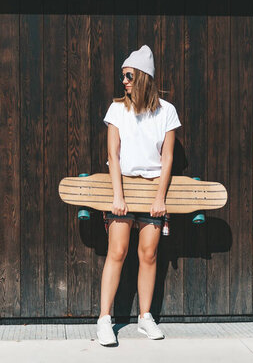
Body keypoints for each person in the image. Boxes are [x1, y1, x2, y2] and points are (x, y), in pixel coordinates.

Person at [96, 45, 181, 346]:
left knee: (148, 254)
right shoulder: (117, 109)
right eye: (122, 76)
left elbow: (167, 158)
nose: (124, 81)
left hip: (152, 189)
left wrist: (160, 198)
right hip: (124, 187)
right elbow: (112, 154)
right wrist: (118, 196)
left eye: (129, 75)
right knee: (117, 251)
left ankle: (145, 317)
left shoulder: (166, 112)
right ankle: (104, 319)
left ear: (143, 76)